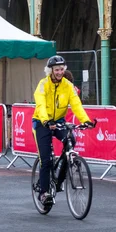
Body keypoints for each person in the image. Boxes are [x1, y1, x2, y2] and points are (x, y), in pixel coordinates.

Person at [32, 55, 93, 206]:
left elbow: (76, 104)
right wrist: (46, 121)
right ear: (50, 70)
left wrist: (85, 120)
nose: (59, 72)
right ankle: (44, 193)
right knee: (45, 160)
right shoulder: (43, 84)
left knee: (71, 141)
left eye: (61, 69)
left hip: (59, 121)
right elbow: (40, 104)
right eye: (56, 69)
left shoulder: (67, 85)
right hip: (41, 121)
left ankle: (59, 179)